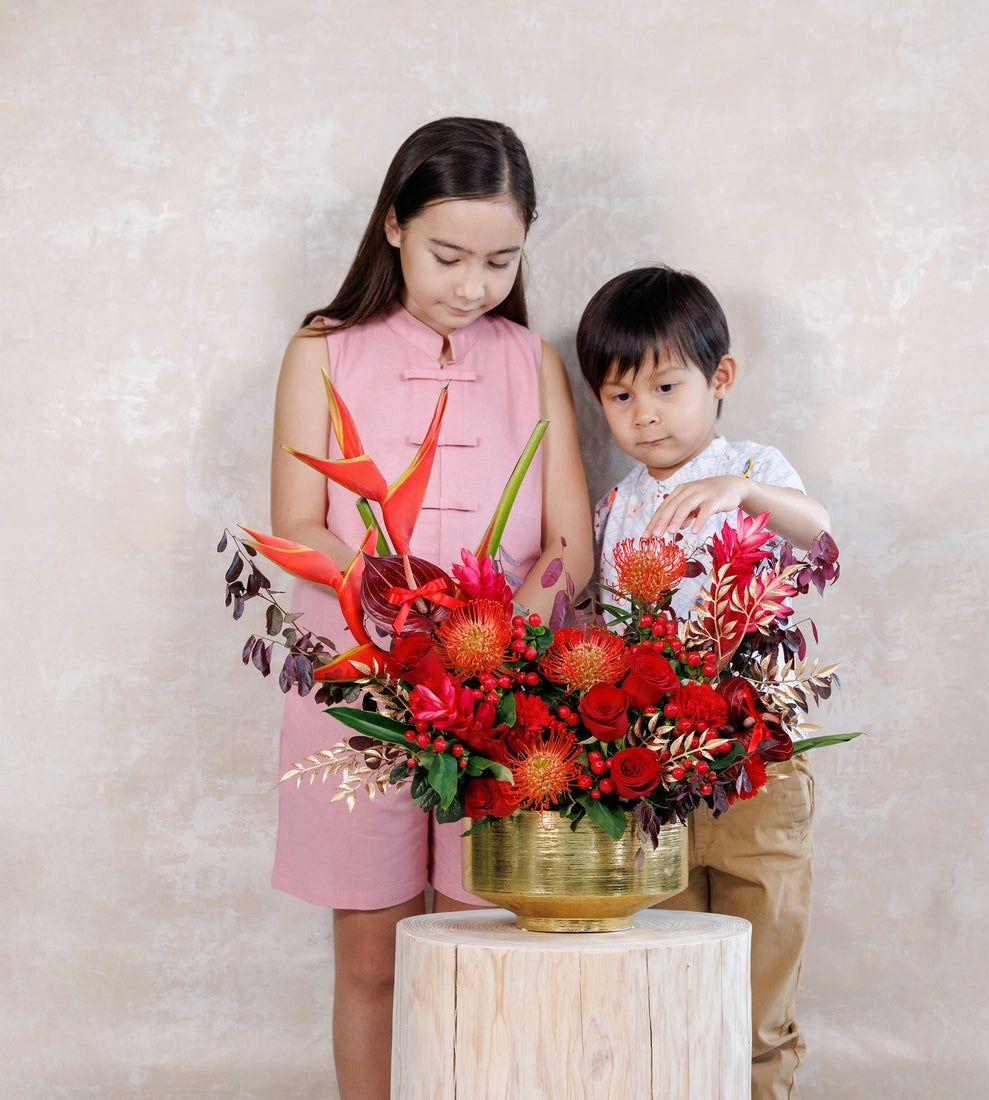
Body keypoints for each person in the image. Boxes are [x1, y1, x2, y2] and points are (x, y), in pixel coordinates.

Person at [269, 117, 592, 1100]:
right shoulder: (322, 350)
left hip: (498, 697)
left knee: (476, 949)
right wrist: (402, 625)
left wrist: (493, 644)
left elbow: (566, 544)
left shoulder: (527, 357)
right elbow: (296, 522)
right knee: (371, 957)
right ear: (394, 225)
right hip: (356, 692)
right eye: (449, 254)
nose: (472, 284)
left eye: (500, 260)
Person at [576, 265, 830, 1100]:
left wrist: (745, 489)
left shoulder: (753, 466)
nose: (643, 413)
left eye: (665, 385)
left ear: (719, 379)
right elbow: (606, 628)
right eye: (618, 397)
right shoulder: (617, 508)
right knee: (671, 991)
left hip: (758, 767)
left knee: (757, 1004)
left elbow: (820, 536)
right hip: (661, 781)